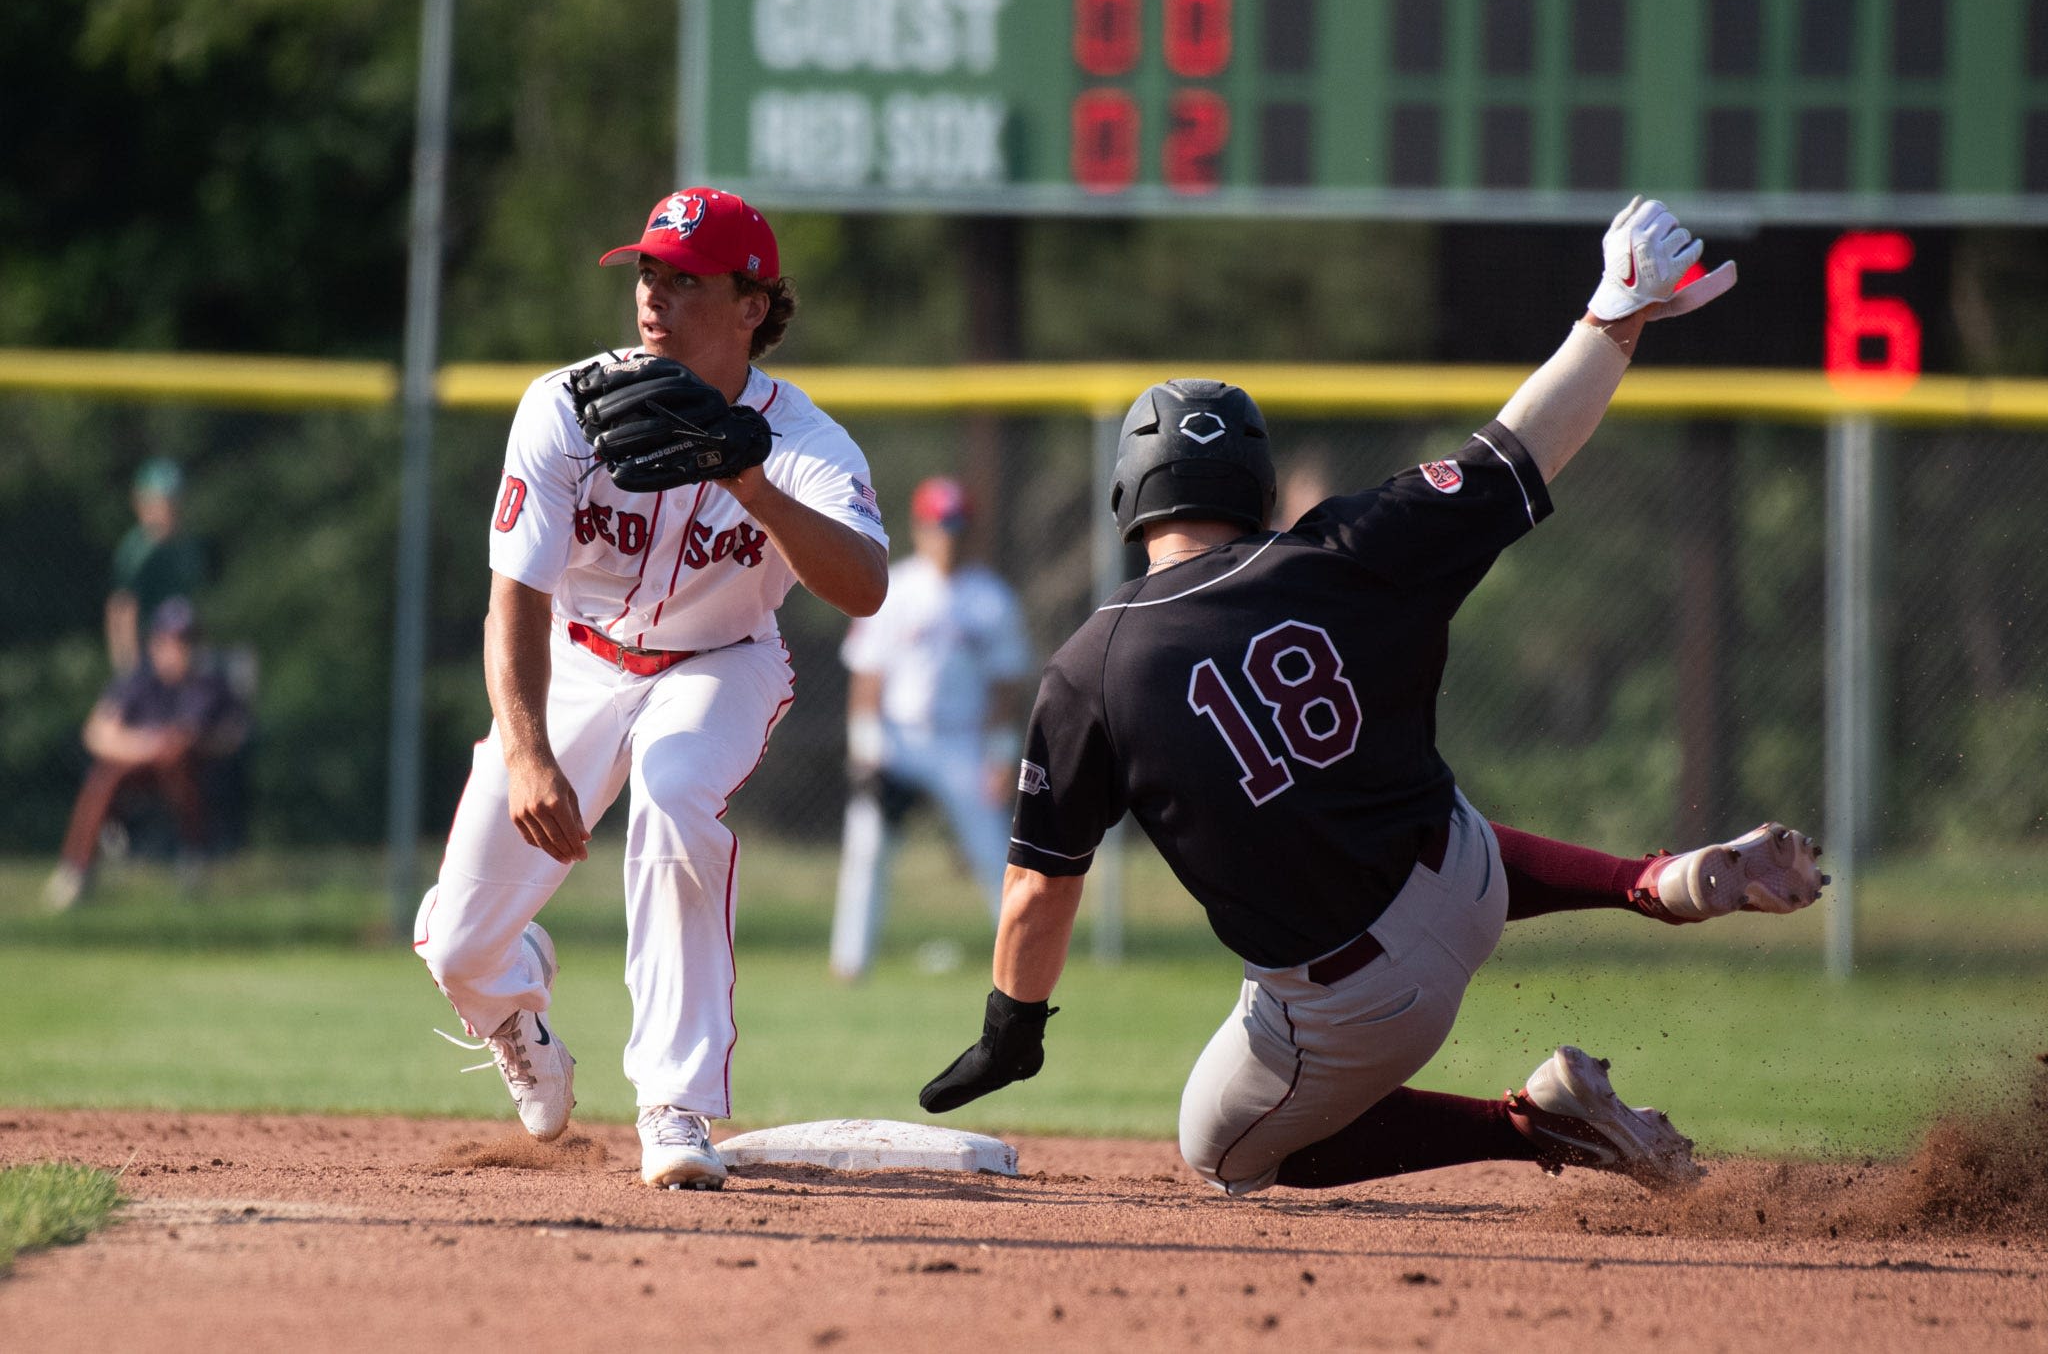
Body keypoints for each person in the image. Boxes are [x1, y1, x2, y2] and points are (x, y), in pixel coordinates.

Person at [920, 198, 1829, 1197]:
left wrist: (1010, 1032)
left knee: (1221, 1150)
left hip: (1355, 1002)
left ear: (1130, 498)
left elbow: (1039, 891)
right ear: (1255, 486)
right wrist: (1611, 317)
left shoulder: (1087, 669)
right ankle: (1640, 880)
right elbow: (1523, 444)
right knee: (1401, 812)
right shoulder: (1345, 546)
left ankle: (1531, 1125)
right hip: (1468, 876)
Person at [412, 187, 889, 1191]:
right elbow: (515, 598)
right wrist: (530, 753)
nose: (654, 296)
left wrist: (752, 486)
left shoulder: (800, 441)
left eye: (685, 279)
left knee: (673, 794)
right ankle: (514, 1008)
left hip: (720, 664)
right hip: (578, 659)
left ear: (751, 304)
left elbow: (863, 588)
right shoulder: (565, 409)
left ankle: (673, 1105)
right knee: (457, 945)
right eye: (647, 273)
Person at [830, 476, 1033, 980]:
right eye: (940, 525)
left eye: (957, 526)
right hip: (899, 738)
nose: (949, 536)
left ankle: (1018, 967)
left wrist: (1000, 754)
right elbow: (868, 673)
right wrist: (867, 744)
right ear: (920, 529)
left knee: (993, 855)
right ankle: (850, 963)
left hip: (963, 741)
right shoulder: (894, 587)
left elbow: (1005, 687)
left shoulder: (991, 598)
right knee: (867, 850)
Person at [46, 597, 248, 910]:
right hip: (135, 771)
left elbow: (234, 734)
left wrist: (191, 743)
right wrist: (146, 745)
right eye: (172, 640)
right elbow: (97, 733)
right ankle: (77, 870)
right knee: (103, 778)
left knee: (177, 758)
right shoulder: (136, 684)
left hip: (191, 774)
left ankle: (191, 857)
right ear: (155, 643)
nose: (180, 649)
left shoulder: (211, 686)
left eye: (188, 640)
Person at [106, 458, 207, 676]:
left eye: (174, 501)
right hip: (146, 650)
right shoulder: (137, 552)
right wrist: (127, 669)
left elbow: (193, 604)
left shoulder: (188, 547)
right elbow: (123, 608)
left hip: (182, 648)